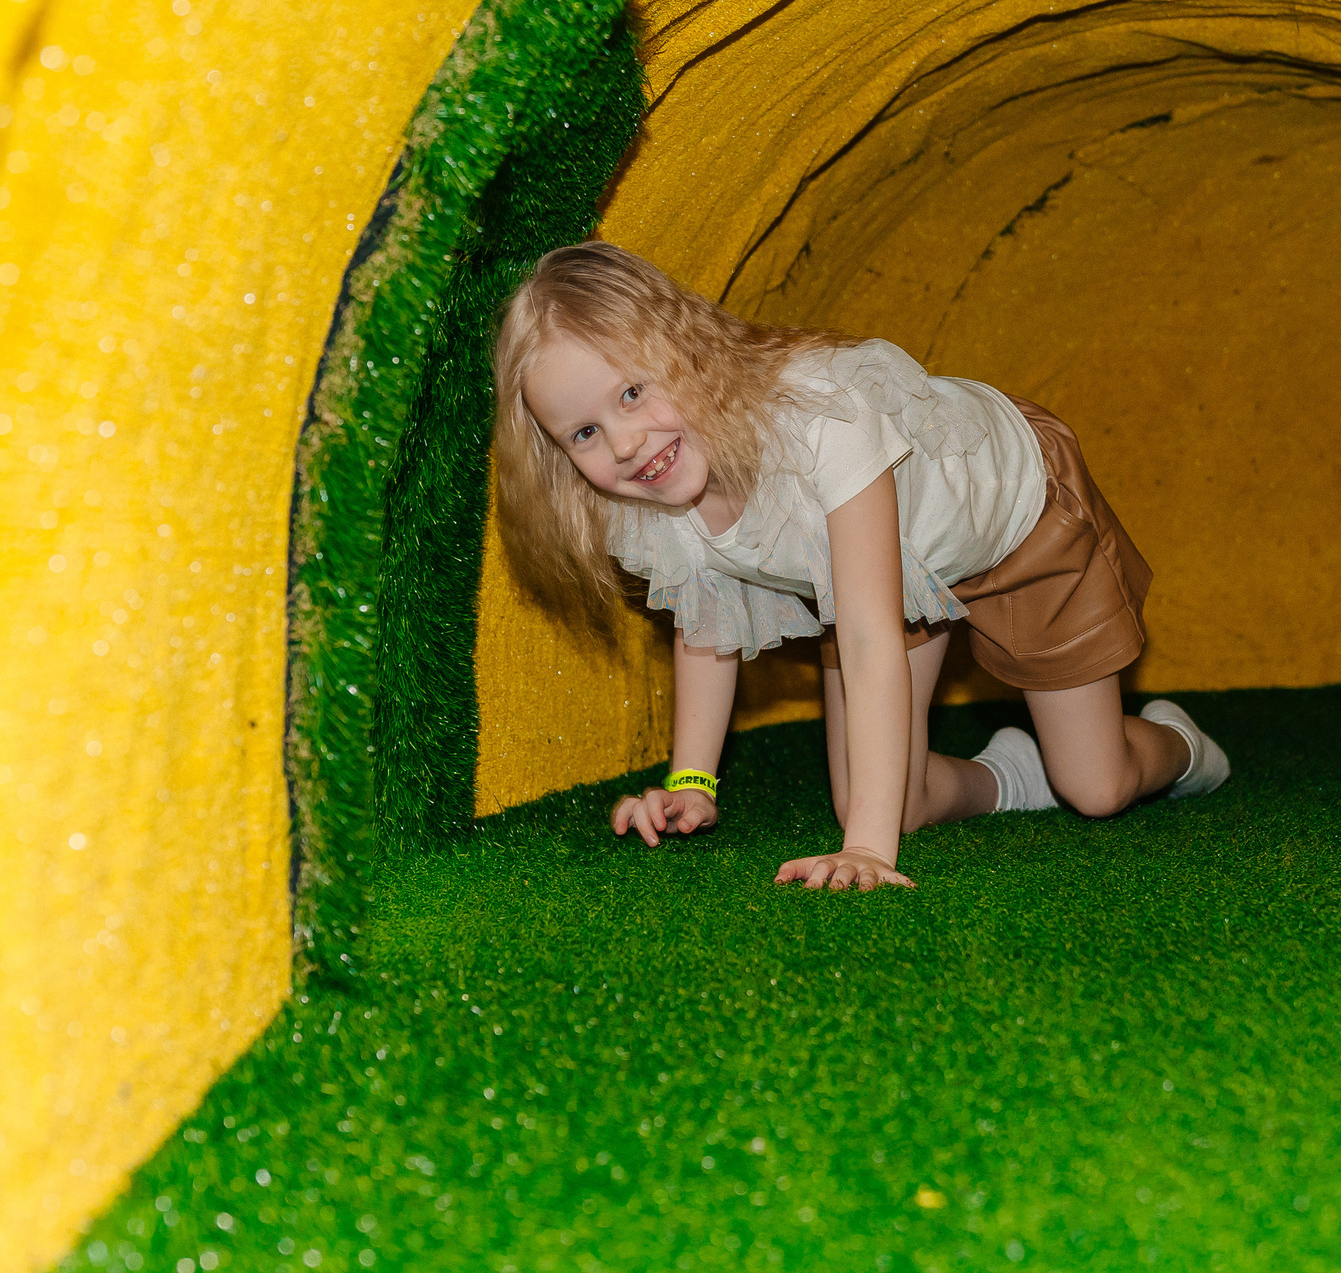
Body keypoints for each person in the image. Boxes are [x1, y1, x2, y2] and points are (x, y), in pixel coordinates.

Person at [491, 241, 1228, 889]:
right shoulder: (648, 486)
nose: (623, 443)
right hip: (902, 571)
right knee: (884, 799)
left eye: (631, 392)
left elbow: (870, 636)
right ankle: (1015, 773)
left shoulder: (820, 419)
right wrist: (692, 781)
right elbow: (707, 622)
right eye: (585, 431)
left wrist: (869, 852)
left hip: (1020, 515)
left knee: (1097, 788)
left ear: (685, 349)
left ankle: (1182, 745)